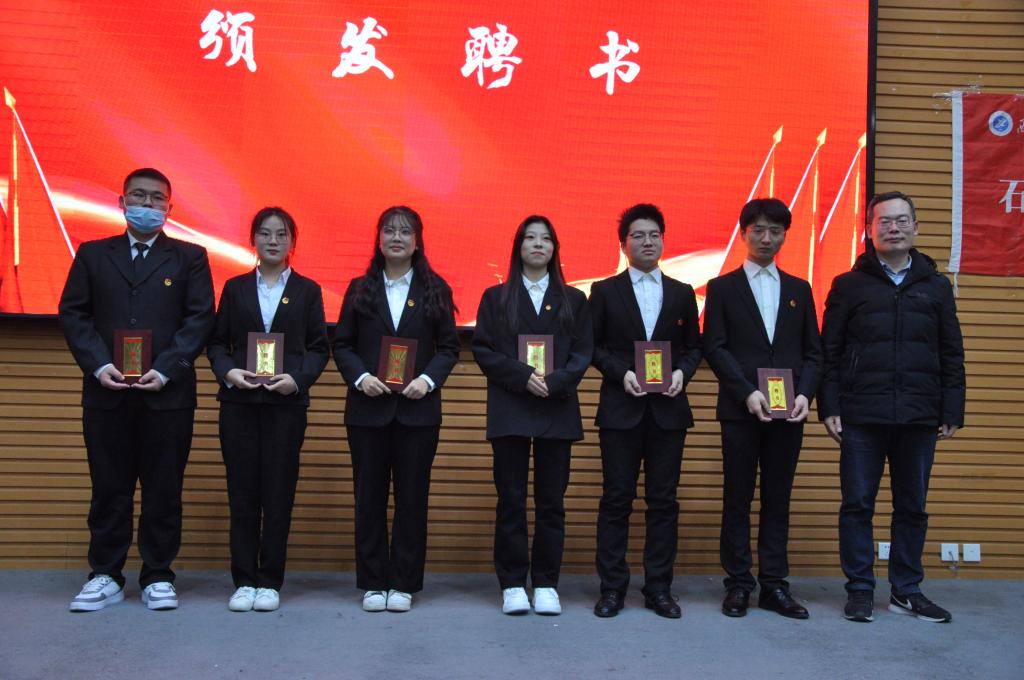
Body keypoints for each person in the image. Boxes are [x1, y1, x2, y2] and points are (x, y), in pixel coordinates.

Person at [59, 168, 214, 611]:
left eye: (156, 199)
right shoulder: (93, 254)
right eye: (139, 197)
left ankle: (158, 575)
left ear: (169, 207)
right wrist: (98, 365)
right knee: (110, 487)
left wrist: (165, 371)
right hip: (106, 392)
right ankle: (105, 574)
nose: (148, 205)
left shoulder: (190, 257)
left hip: (167, 396)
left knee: (164, 488)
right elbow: (73, 314)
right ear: (121, 202)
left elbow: (200, 319)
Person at [819, 191, 965, 624]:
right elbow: (830, 351)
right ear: (869, 229)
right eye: (884, 221)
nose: (893, 228)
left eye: (902, 220)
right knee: (857, 505)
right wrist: (829, 405)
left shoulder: (936, 286)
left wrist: (952, 410)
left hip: (919, 415)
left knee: (912, 507)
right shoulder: (849, 285)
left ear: (916, 227)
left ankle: (906, 590)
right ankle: (860, 590)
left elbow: (951, 351)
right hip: (861, 415)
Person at [332, 206, 459, 613]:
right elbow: (342, 344)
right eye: (389, 231)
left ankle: (403, 583)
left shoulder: (436, 289)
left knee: (412, 499)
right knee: (368, 498)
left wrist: (428, 380)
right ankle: (373, 582)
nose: (397, 238)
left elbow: (449, 348)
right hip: (368, 410)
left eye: (405, 231)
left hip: (417, 413)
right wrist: (359, 377)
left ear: (417, 241)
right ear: (379, 239)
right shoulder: (359, 288)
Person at [703, 198, 821, 619]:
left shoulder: (799, 289)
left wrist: (805, 394)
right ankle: (738, 584)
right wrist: (745, 392)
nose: (766, 238)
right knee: (737, 498)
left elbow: (813, 352)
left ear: (785, 236)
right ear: (743, 234)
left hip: (789, 412)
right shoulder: (722, 288)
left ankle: (774, 585)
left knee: (778, 499)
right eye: (758, 230)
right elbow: (714, 347)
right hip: (742, 410)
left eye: (775, 231)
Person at [207, 207, 328, 612]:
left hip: (285, 406)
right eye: (264, 233)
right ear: (252, 239)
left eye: (281, 234)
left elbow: (319, 348)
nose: (273, 241)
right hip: (239, 404)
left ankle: (270, 580)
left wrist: (298, 379)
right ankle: (243, 580)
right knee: (242, 493)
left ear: (293, 242)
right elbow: (217, 343)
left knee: (278, 494)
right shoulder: (235, 287)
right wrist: (228, 373)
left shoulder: (308, 290)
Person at [471, 216, 593, 616]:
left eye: (546, 239)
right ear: (518, 247)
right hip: (510, 409)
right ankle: (512, 583)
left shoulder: (574, 299)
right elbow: (483, 350)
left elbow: (583, 352)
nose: (538, 244)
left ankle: (545, 583)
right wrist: (522, 376)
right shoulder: (496, 298)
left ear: (554, 248)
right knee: (511, 499)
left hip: (557, 409)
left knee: (551, 502)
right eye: (530, 238)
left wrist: (555, 381)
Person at [588, 203, 702, 619]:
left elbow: (694, 348)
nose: (647, 242)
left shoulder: (682, 292)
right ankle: (612, 589)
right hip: (621, 409)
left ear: (663, 241)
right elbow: (592, 347)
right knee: (616, 500)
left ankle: (659, 588)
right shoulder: (604, 291)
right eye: (638, 235)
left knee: (664, 502)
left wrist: (682, 373)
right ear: (624, 244)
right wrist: (621, 374)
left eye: (654, 235)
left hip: (668, 410)